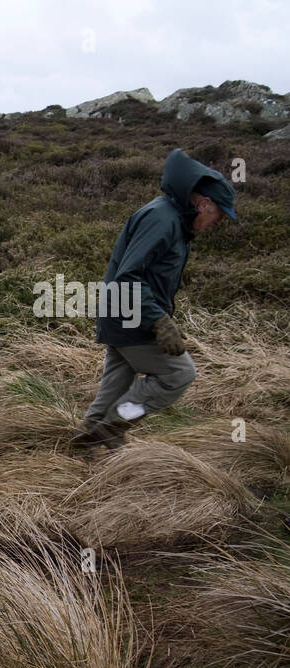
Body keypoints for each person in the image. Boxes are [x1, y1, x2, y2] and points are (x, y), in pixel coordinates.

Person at [71, 148, 237, 452]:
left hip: (125, 314)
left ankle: (82, 449)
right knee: (179, 374)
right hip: (131, 317)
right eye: (220, 214)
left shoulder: (175, 220)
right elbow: (128, 276)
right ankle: (115, 424)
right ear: (204, 203)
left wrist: (161, 316)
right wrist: (158, 321)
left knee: (114, 389)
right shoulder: (163, 219)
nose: (220, 222)